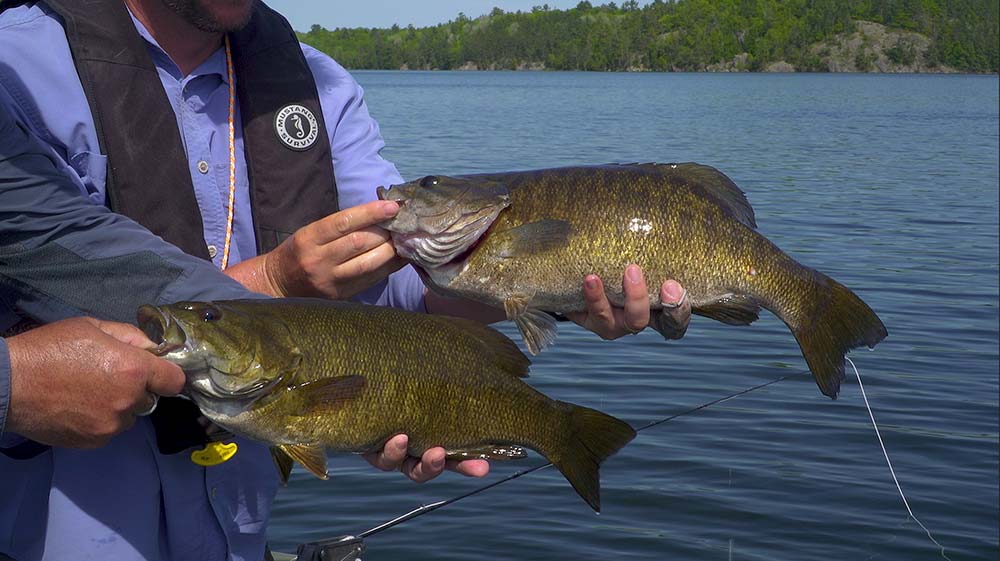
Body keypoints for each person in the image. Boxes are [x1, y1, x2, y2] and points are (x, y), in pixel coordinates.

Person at [0, 1, 691, 559]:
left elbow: (394, 292)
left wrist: (555, 289)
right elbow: (47, 268)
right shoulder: (16, 67)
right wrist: (276, 278)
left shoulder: (317, 86)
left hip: (237, 526)